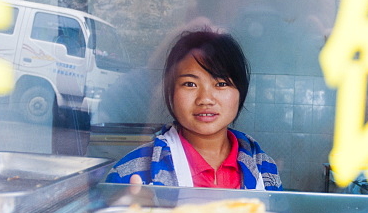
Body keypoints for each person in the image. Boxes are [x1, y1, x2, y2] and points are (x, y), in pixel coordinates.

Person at [104, 29, 282, 190]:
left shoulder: (264, 169)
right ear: (171, 91)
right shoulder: (131, 173)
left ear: (240, 92)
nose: (205, 99)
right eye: (190, 84)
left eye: (221, 83)